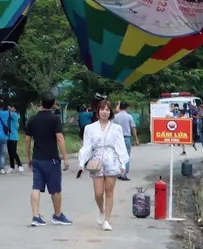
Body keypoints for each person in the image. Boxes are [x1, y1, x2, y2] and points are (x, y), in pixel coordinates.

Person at [77, 100, 128, 229]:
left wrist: (122, 163)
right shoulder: (90, 128)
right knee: (98, 193)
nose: (104, 112)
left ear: (110, 112)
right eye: (102, 109)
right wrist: (82, 162)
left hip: (112, 159)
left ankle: (107, 220)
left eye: (107, 109)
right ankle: (101, 210)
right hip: (96, 160)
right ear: (98, 112)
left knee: (109, 191)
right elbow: (87, 146)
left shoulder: (116, 128)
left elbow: (121, 146)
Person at [25, 93, 71, 227]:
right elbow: (60, 138)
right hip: (51, 159)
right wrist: (65, 157)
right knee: (55, 188)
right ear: (54, 103)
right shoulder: (55, 119)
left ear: (41, 102)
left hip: (37, 158)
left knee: (36, 187)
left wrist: (28, 157)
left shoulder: (32, 120)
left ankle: (35, 216)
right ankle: (57, 215)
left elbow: (27, 140)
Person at [113, 103, 136, 179]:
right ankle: (124, 174)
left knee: (118, 156)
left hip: (117, 139)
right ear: (127, 108)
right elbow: (133, 128)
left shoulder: (115, 117)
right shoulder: (129, 117)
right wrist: (136, 139)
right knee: (126, 156)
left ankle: (119, 173)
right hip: (126, 138)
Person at [5, 103, 23, 173]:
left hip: (14, 137)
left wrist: (8, 110)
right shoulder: (9, 115)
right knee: (10, 153)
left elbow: (9, 114)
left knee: (13, 152)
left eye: (12, 107)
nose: (11, 108)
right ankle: (12, 166)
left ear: (15, 109)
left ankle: (20, 165)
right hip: (8, 137)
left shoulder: (15, 115)